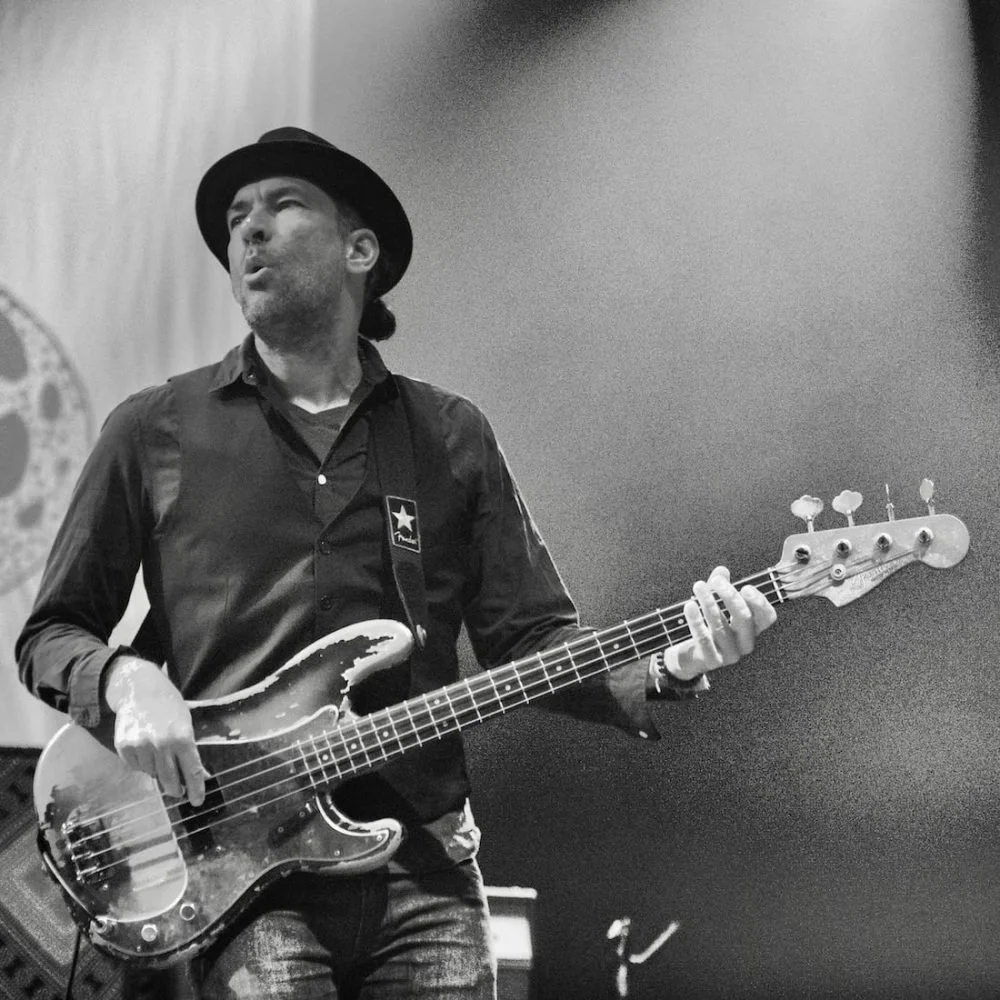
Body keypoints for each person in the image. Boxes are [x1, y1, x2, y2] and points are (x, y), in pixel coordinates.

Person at [16, 127, 777, 1000]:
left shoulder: (447, 434)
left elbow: (529, 638)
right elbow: (51, 634)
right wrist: (126, 683)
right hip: (238, 875)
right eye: (235, 218)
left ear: (360, 250)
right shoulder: (155, 428)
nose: (248, 230)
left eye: (282, 205)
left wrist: (672, 663)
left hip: (426, 866)